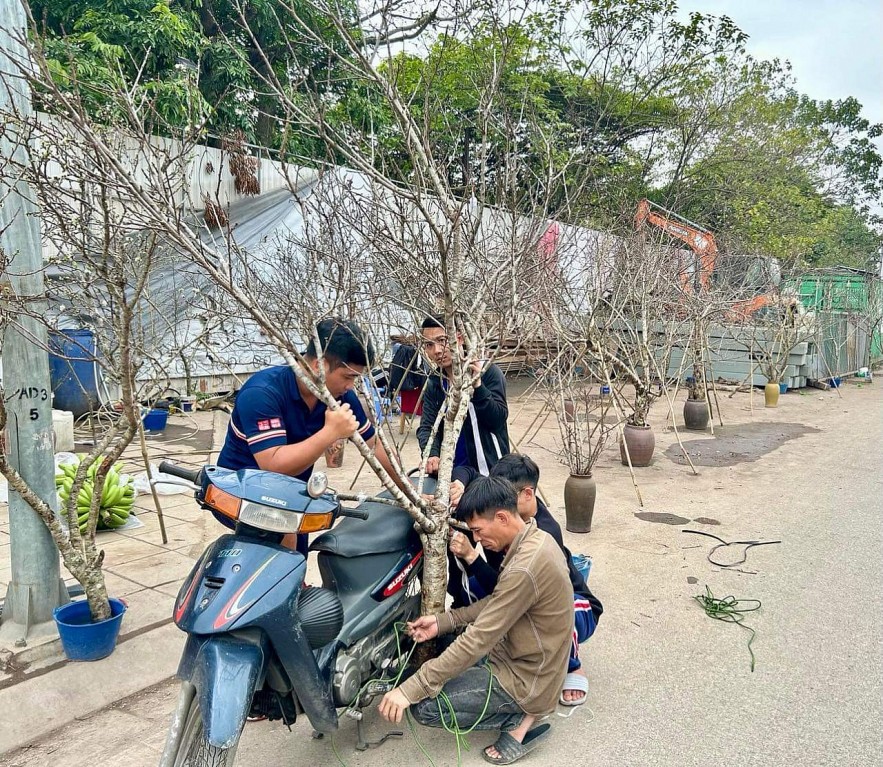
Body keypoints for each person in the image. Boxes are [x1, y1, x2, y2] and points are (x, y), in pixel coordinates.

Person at [378, 477, 573, 765]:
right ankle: (526, 707)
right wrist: (443, 621)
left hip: (527, 676)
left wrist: (410, 690)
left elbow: (479, 638)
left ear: (503, 517)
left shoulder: (526, 566)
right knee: (437, 662)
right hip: (521, 653)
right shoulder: (535, 539)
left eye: (479, 531)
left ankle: (523, 714)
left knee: (424, 707)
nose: (477, 540)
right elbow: (497, 601)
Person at [216, 317, 402, 554]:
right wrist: (330, 433)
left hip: (289, 494)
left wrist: (410, 494)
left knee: (296, 551)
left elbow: (375, 445)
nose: (351, 386)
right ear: (319, 366)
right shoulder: (263, 393)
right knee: (281, 550)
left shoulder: (339, 397)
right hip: (239, 492)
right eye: (348, 377)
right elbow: (273, 465)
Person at [449, 455, 603, 706]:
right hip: (524, 592)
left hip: (573, 604)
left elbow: (507, 593)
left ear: (528, 494)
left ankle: (572, 665)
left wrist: (471, 556)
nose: (500, 502)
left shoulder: (543, 533)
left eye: (507, 496)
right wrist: (459, 484)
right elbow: (466, 469)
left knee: (555, 614)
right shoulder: (503, 502)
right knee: (479, 588)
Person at [416, 315, 509, 477]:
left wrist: (478, 387)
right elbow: (427, 426)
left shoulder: (487, 373)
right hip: (451, 473)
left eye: (443, 340)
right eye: (429, 345)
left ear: (458, 338)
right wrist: (432, 454)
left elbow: (497, 420)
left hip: (487, 471)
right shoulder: (435, 383)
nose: (437, 350)